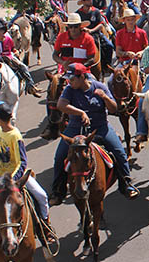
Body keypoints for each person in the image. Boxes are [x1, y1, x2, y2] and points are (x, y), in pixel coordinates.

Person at [49, 63, 140, 206]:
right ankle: (58, 191)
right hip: (75, 128)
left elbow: (114, 108)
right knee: (60, 156)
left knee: (119, 152)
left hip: (100, 127)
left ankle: (126, 183)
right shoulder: (69, 90)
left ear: (82, 77)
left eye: (72, 79)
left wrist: (105, 98)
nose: (69, 82)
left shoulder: (100, 87)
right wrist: (80, 113)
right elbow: (61, 105)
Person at [0, 102, 53, 258]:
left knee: (41, 195)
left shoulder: (15, 136)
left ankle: (45, 227)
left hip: (13, 177)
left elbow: (22, 162)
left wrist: (13, 180)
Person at [0, 18, 42, 96]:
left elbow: (12, 49)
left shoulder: (8, 39)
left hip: (8, 57)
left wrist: (16, 52)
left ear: (4, 31)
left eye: (0, 31)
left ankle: (31, 86)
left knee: (23, 67)